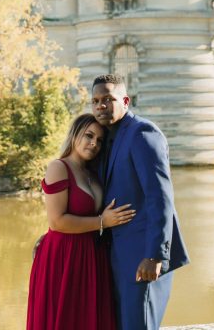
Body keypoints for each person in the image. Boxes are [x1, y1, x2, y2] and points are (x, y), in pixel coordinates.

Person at [91, 74, 189, 330]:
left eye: (108, 99)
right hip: (116, 255)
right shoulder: (105, 139)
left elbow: (160, 197)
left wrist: (155, 255)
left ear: (125, 100)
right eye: (95, 100)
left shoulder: (142, 133)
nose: (101, 105)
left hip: (142, 257)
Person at [27, 113, 136, 330]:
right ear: (75, 134)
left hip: (91, 254)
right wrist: (103, 221)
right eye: (89, 135)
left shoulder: (92, 173)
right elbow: (57, 221)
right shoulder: (58, 167)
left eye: (99, 140)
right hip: (64, 257)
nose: (94, 143)